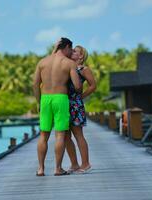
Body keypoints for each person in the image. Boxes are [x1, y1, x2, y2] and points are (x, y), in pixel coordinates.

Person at [33, 37, 82, 176]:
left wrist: (38, 101)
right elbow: (78, 86)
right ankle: (57, 168)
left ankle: (41, 169)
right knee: (60, 135)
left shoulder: (42, 62)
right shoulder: (69, 63)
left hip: (45, 99)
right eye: (70, 49)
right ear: (66, 47)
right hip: (61, 99)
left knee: (43, 135)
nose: (71, 52)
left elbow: (35, 84)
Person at [66, 45, 97, 173]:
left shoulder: (84, 69)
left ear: (81, 56)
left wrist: (81, 96)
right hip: (64, 104)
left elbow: (93, 85)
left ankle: (85, 164)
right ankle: (74, 164)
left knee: (78, 134)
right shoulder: (68, 67)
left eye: (74, 51)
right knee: (65, 136)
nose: (72, 52)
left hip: (75, 105)